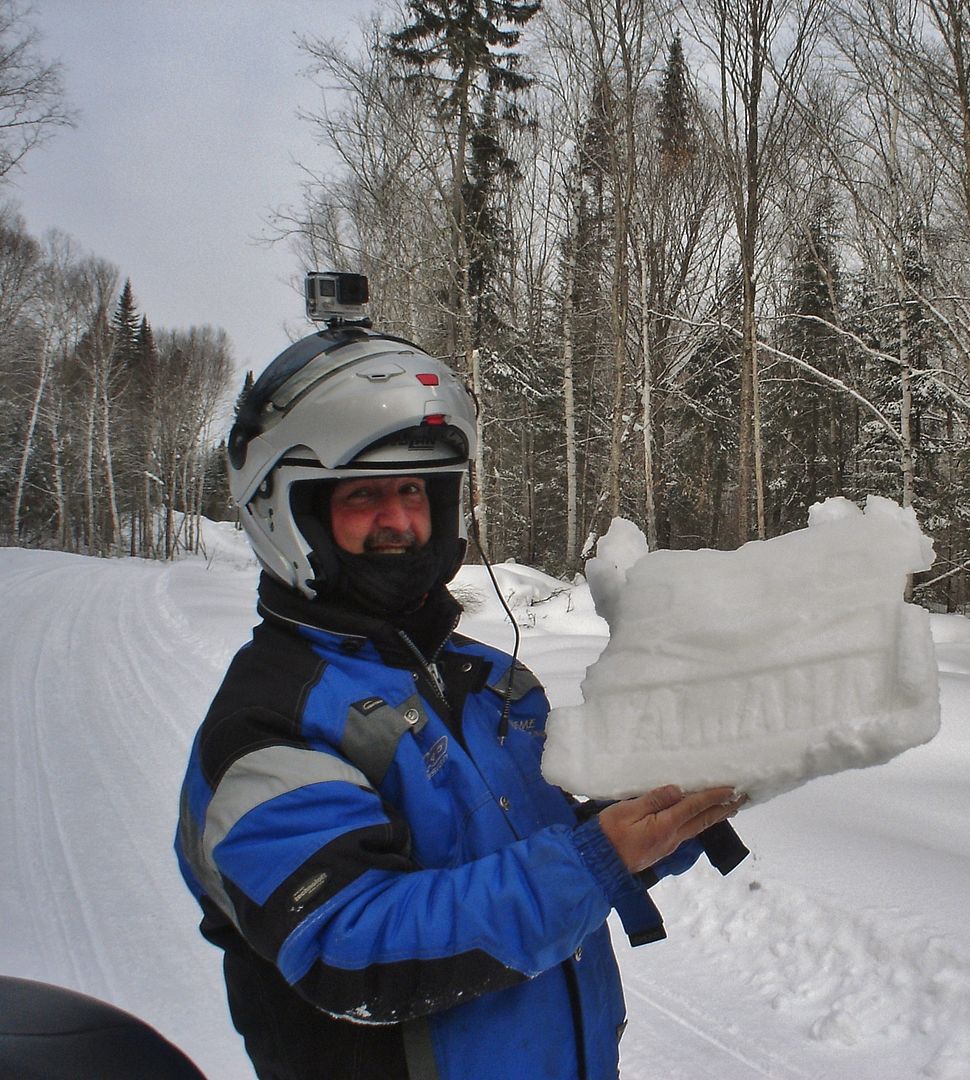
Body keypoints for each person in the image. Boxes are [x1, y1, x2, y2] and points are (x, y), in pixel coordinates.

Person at [175, 323, 747, 1080]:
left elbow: (536, 853)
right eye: (363, 495)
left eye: (415, 490)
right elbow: (352, 941)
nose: (400, 522)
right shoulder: (270, 724)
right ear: (293, 515)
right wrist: (594, 861)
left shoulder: (480, 678)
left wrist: (662, 815)